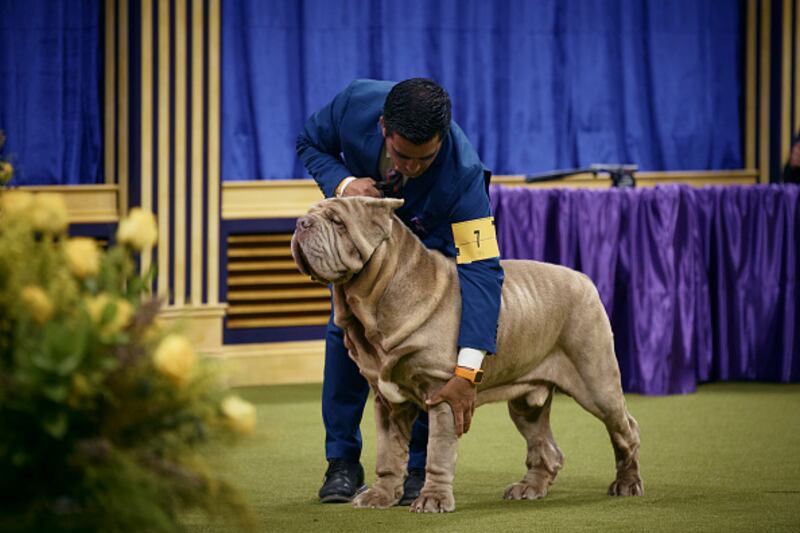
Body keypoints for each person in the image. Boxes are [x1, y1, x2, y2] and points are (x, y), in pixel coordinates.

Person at [296, 78, 504, 505]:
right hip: (368, 248)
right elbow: (309, 143)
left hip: (434, 250)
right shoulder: (353, 105)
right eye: (403, 156)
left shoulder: (464, 178)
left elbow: (482, 270)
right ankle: (341, 462)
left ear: (441, 140)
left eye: (425, 159)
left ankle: (417, 469)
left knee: (432, 351)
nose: (411, 167)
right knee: (345, 331)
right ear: (382, 127)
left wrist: (468, 369)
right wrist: (345, 184)